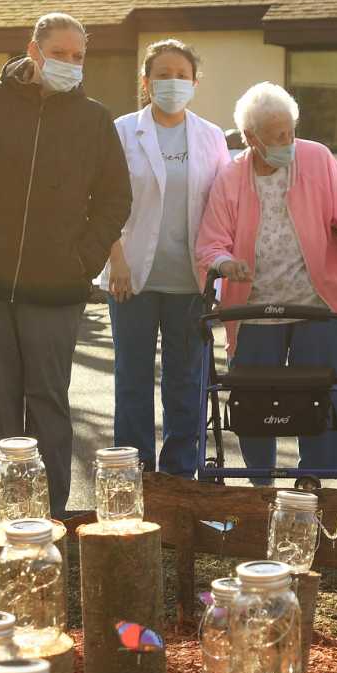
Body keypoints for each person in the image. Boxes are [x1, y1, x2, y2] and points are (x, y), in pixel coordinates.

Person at [0, 12, 130, 513]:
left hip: (56, 291)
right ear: (33, 51)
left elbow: (114, 199)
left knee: (48, 405)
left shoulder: (94, 119)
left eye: (78, 56)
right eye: (59, 53)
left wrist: (80, 261)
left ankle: (51, 518)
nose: (69, 63)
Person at [195, 82, 337, 482]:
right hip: (254, 305)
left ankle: (316, 475)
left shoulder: (317, 158)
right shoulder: (232, 177)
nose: (288, 142)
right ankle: (260, 478)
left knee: (324, 394)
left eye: (291, 131)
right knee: (256, 397)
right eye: (277, 136)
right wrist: (225, 264)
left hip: (318, 300)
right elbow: (210, 242)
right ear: (250, 138)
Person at [104, 39, 231, 476]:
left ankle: (179, 475)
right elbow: (102, 201)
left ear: (195, 82)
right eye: (162, 74)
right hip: (132, 278)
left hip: (190, 282)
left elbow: (223, 203)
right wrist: (115, 259)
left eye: (181, 74)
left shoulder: (212, 136)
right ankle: (133, 475)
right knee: (132, 383)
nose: (172, 82)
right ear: (146, 81)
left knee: (185, 385)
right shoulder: (121, 130)